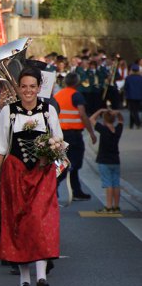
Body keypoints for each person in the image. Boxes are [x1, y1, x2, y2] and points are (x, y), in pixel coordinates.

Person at [0, 67, 62, 286]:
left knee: (39, 220)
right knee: (19, 223)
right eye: (24, 87)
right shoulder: (8, 112)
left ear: (39, 88)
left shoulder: (48, 111)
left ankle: (41, 276)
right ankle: (24, 279)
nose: (28, 91)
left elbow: (58, 141)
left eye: (32, 87)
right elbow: (0, 147)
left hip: (42, 173)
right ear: (18, 88)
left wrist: (50, 155)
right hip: (16, 173)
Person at [55, 72, 97, 201]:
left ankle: (76, 191)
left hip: (61, 134)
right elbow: (83, 115)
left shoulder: (58, 95)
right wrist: (91, 132)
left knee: (66, 162)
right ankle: (54, 184)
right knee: (74, 163)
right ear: (77, 83)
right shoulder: (76, 95)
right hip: (73, 135)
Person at [90, 108, 124, 213]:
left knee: (108, 184)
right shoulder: (117, 130)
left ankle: (108, 206)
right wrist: (118, 113)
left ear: (104, 120)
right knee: (116, 184)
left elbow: (91, 119)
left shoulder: (103, 129)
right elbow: (121, 120)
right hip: (115, 160)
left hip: (104, 160)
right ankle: (116, 206)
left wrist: (100, 111)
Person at [124, 64, 142, 129]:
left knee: (133, 110)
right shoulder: (140, 78)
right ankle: (131, 124)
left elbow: (126, 87)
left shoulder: (128, 78)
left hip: (130, 96)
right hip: (139, 96)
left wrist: (125, 95)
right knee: (134, 110)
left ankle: (138, 123)